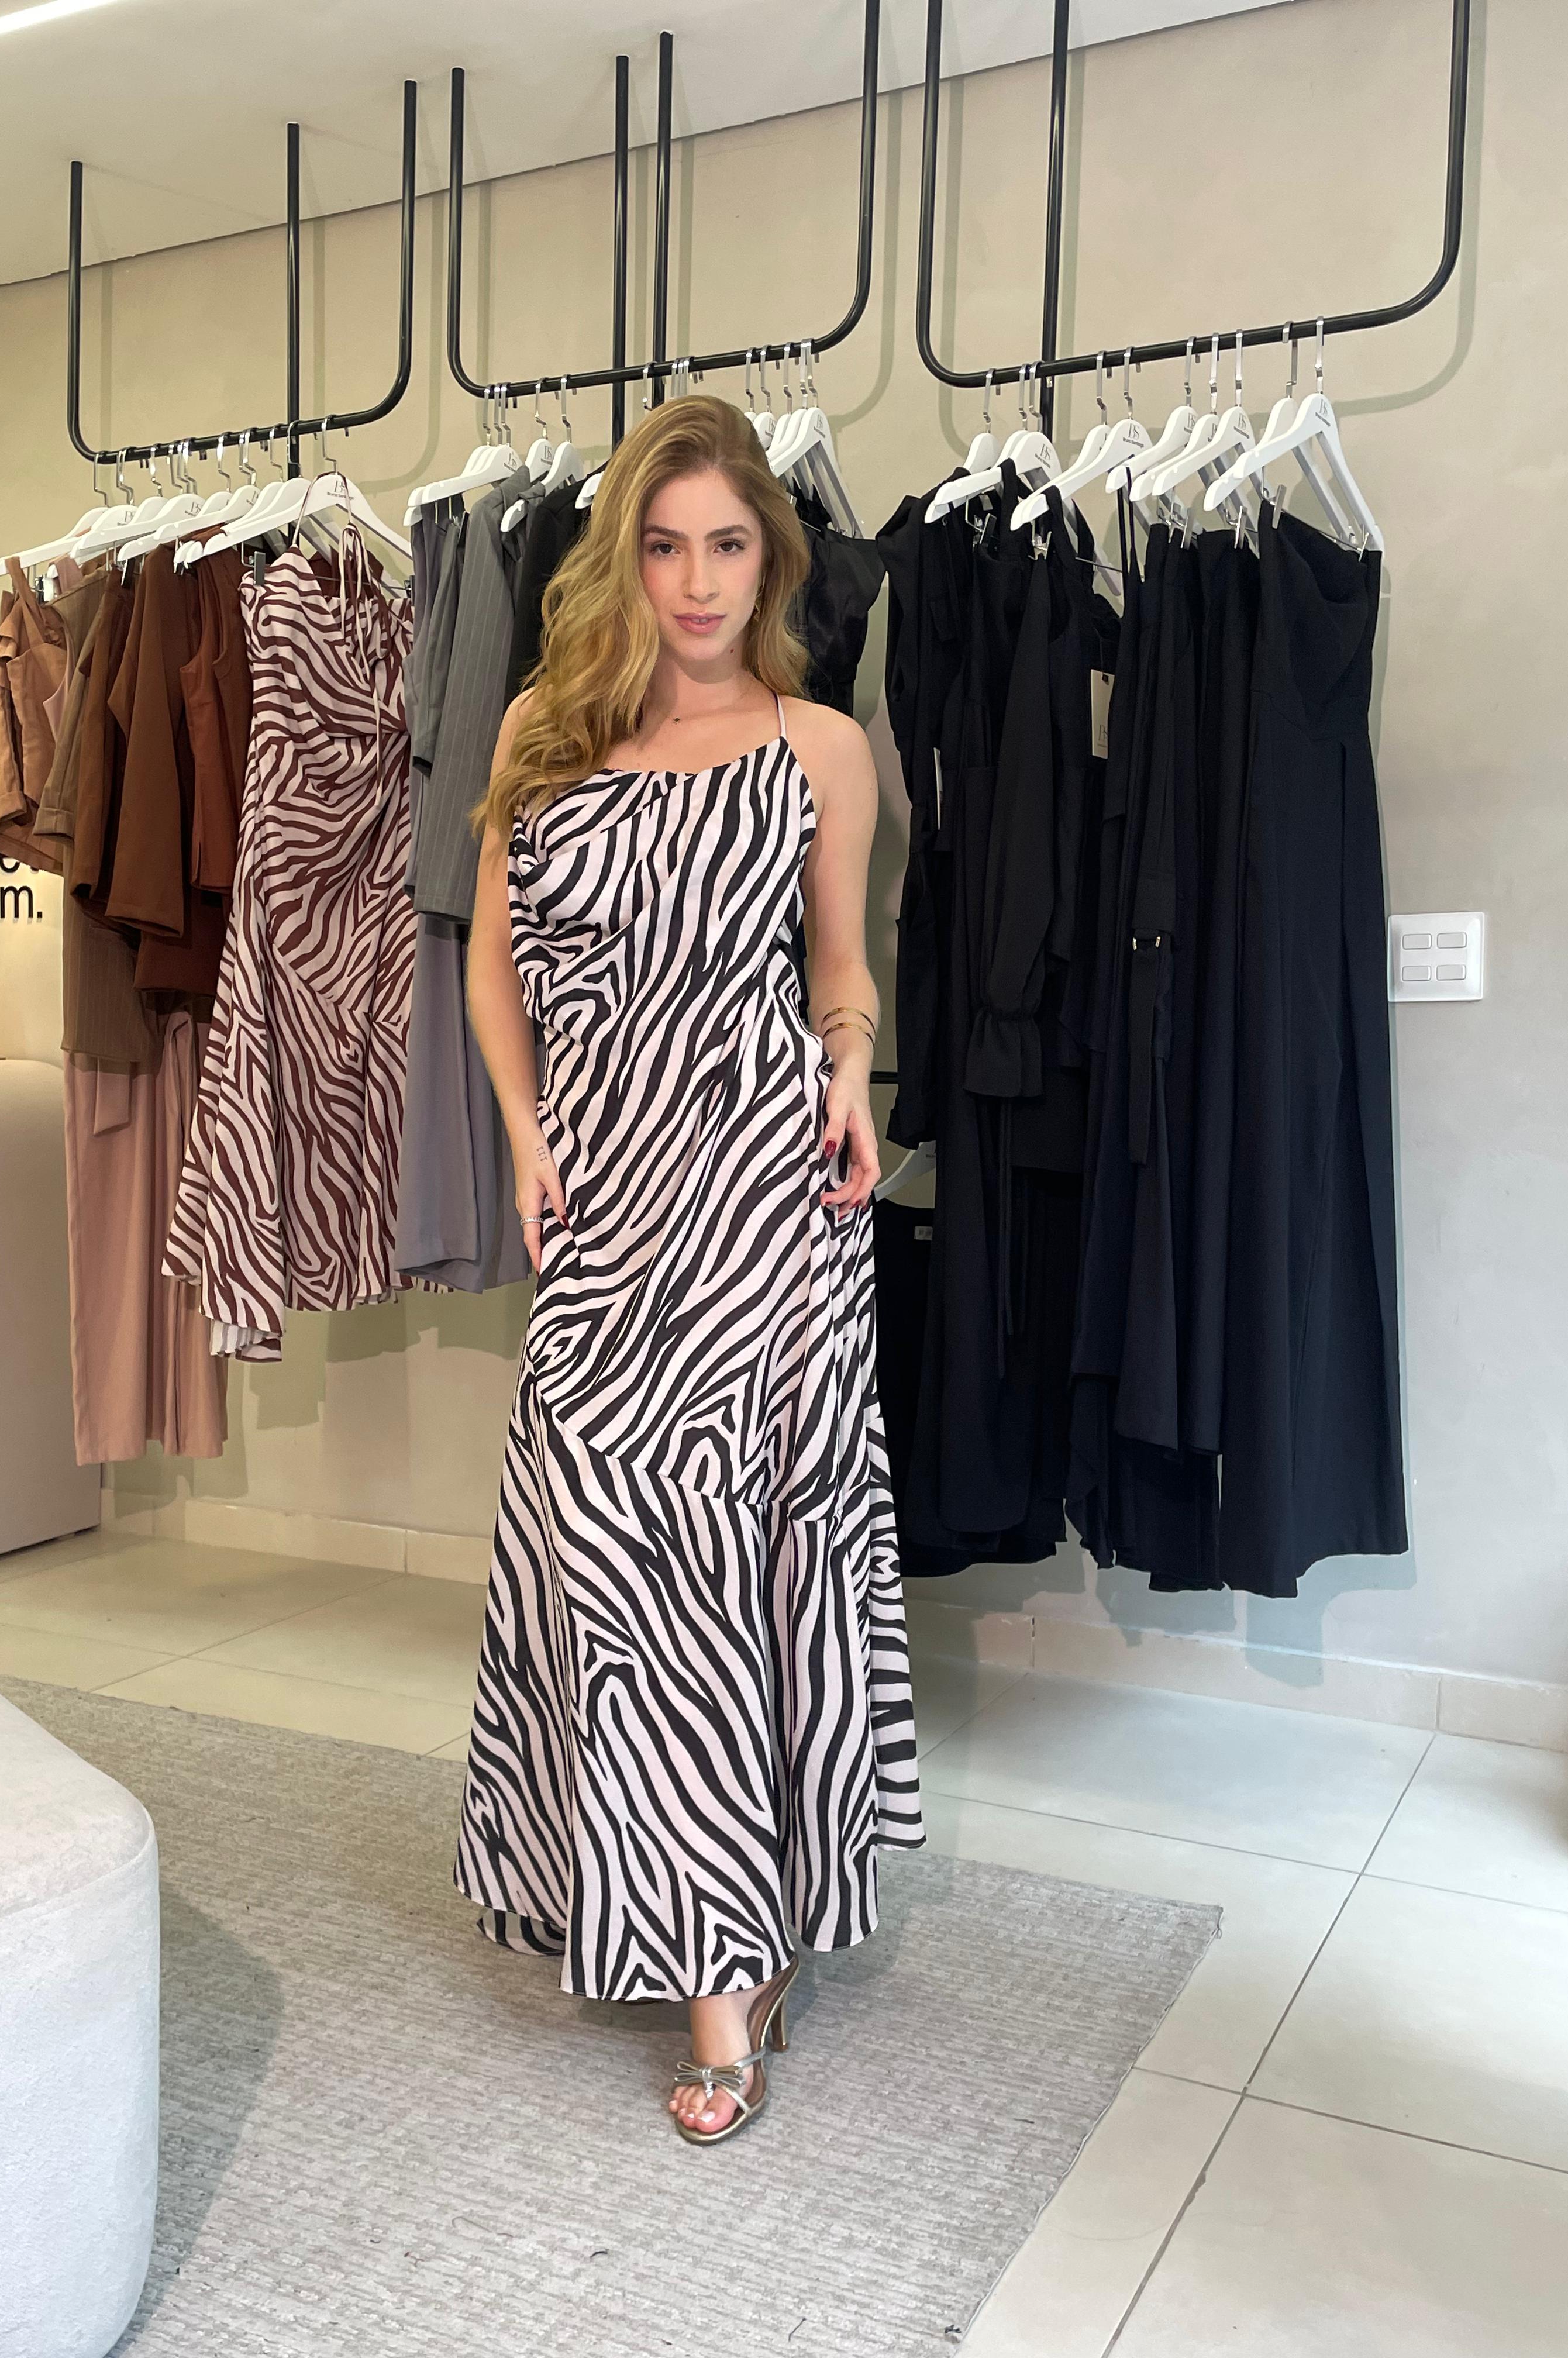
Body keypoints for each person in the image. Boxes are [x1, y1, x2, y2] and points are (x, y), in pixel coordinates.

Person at [452, 393, 922, 2145]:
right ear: (623, 560)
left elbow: (839, 965)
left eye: (729, 545)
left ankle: (724, 1990)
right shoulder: (543, 731)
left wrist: (852, 1069)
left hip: (761, 1200)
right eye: (666, 546)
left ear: (771, 562)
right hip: (603, 1202)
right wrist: (524, 1140)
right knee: (613, 1567)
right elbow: (493, 964)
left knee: (730, 1573)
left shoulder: (819, 747)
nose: (699, 580)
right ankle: (725, 1924)